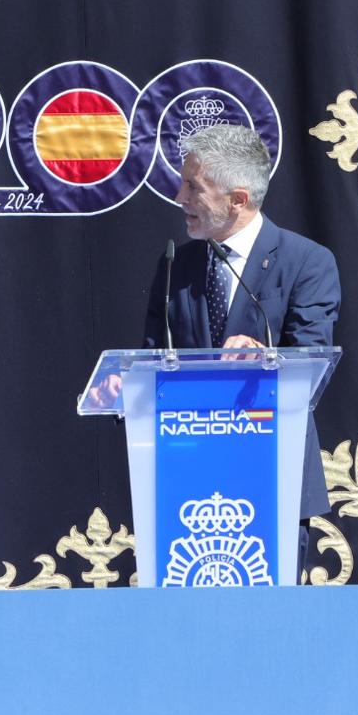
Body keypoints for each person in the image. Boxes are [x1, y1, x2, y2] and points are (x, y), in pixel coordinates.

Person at [95, 124, 340, 519]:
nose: (180, 197)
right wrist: (127, 384)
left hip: (271, 470)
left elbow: (312, 362)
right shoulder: (176, 264)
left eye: (193, 187)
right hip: (188, 478)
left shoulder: (306, 262)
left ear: (237, 199)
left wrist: (265, 356)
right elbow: (153, 356)